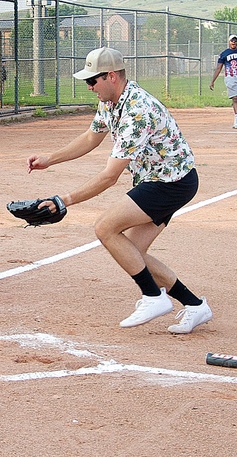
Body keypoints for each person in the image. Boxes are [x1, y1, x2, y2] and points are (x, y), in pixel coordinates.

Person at [24, 47, 211, 334]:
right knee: (132, 251)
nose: (89, 87)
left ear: (111, 76)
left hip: (171, 182)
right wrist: (51, 158)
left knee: (105, 228)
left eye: (92, 81)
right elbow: (91, 137)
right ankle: (195, 305)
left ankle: (152, 297)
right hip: (159, 179)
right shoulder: (112, 101)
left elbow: (110, 176)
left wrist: (64, 200)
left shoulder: (137, 110)